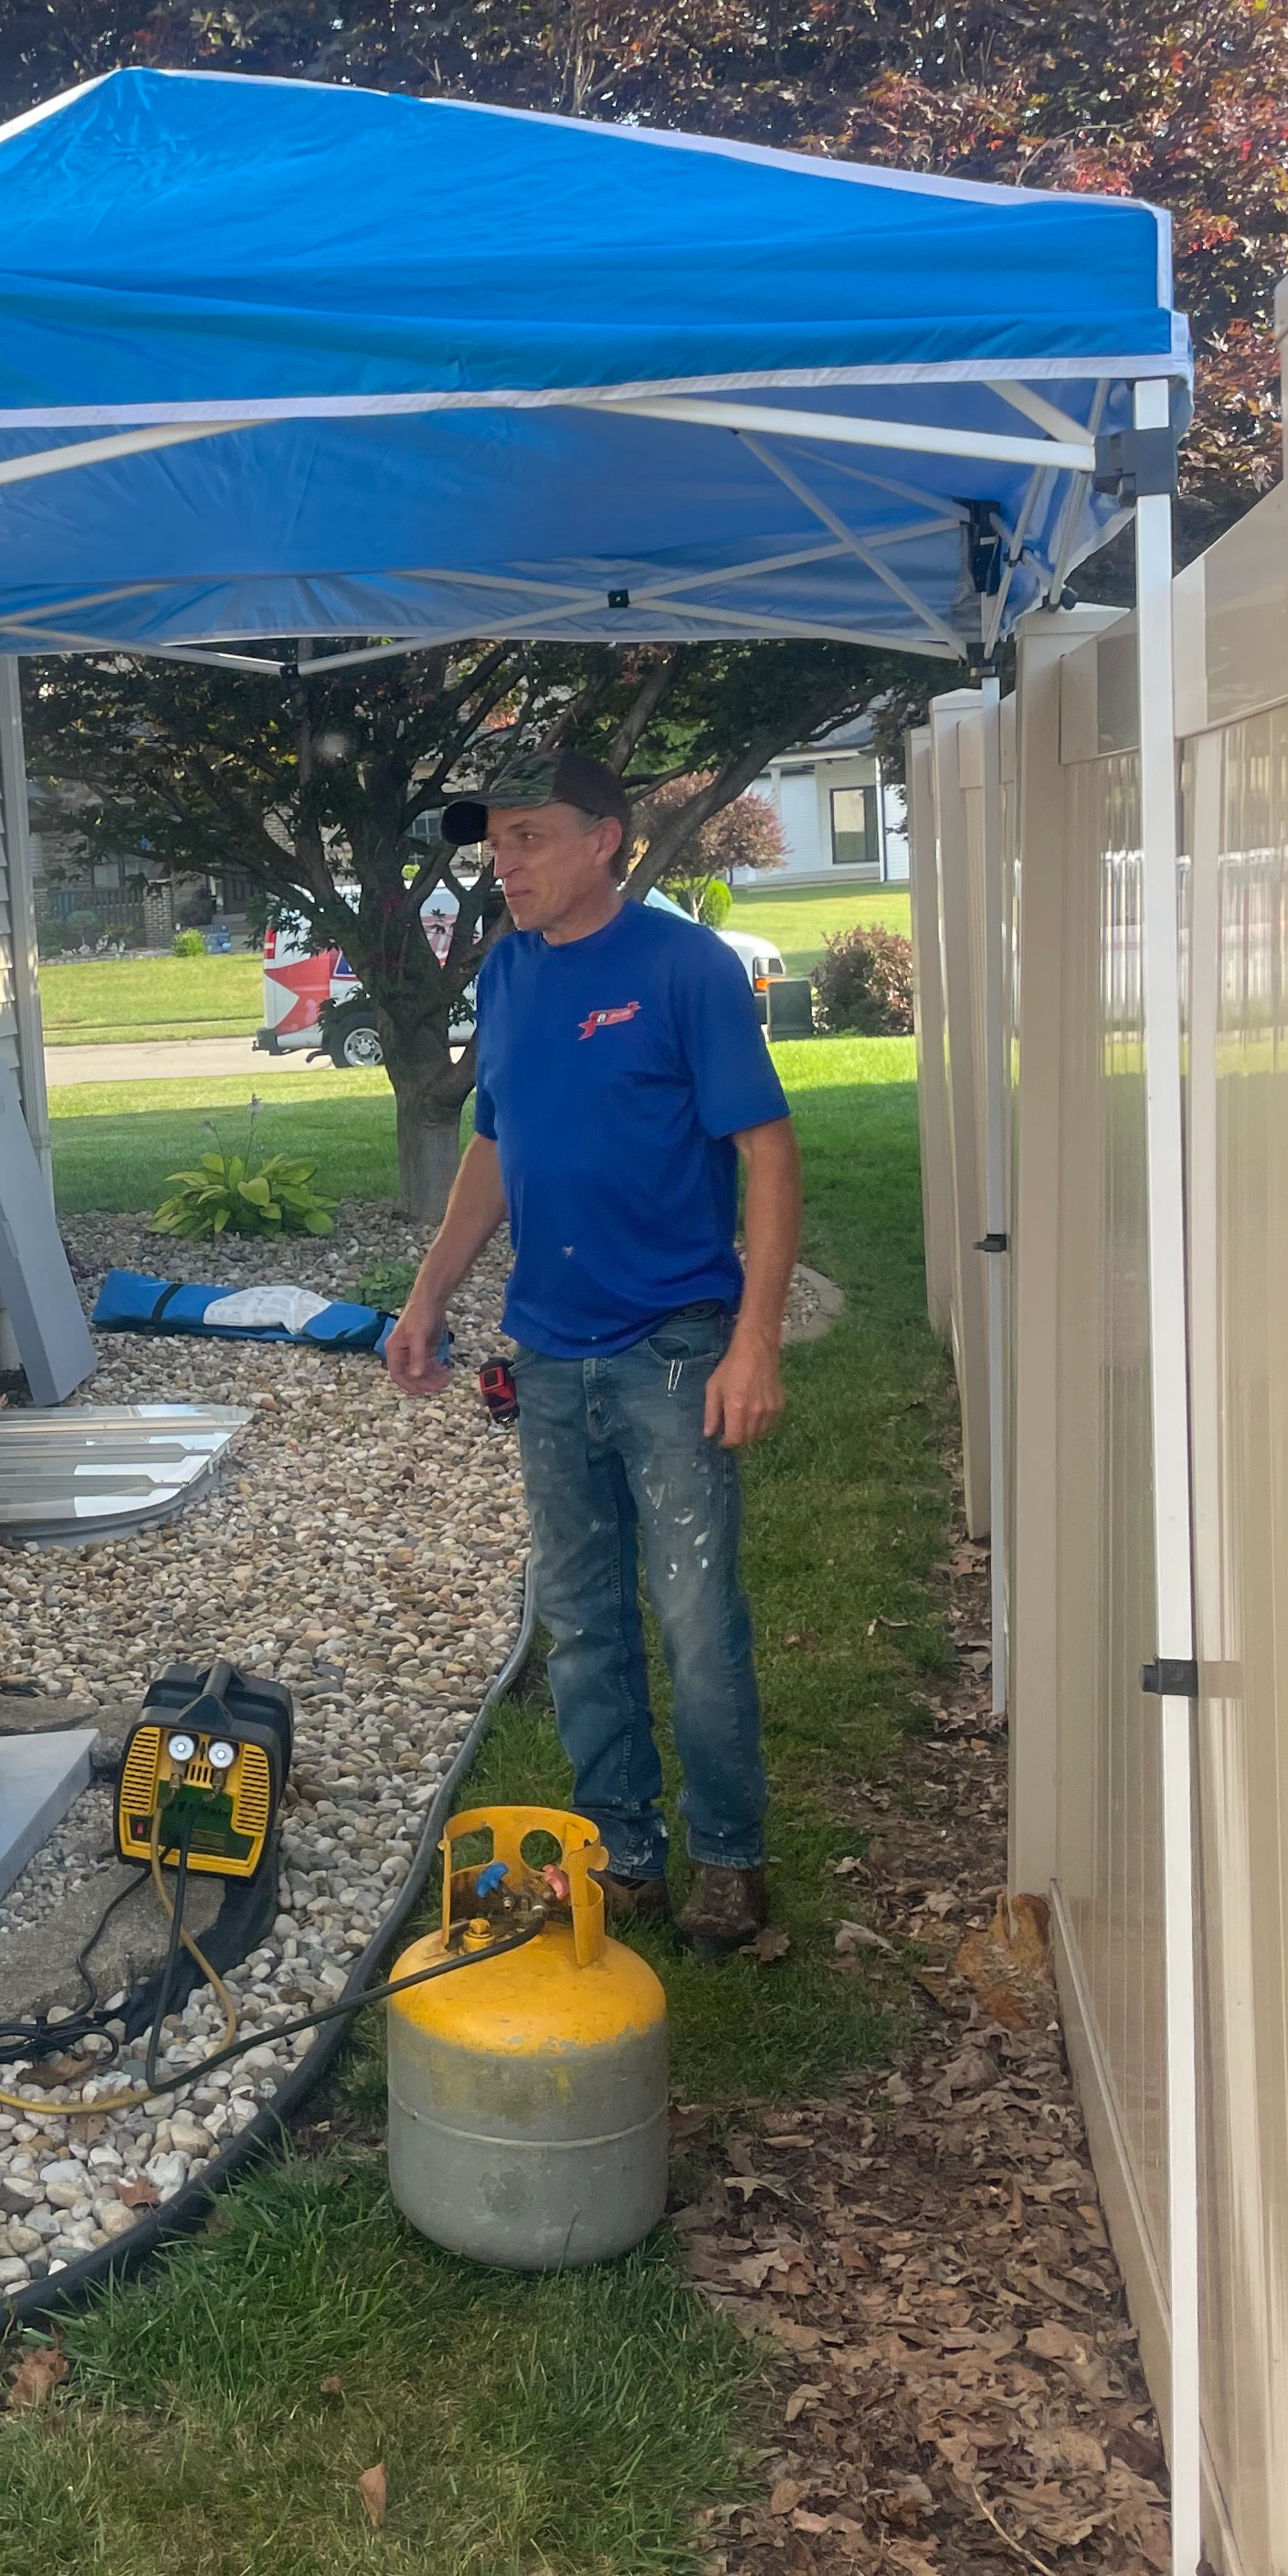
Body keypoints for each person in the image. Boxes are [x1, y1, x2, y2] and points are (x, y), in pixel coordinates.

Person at [385, 744, 798, 1956]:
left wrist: (754, 1343)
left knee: (695, 1617)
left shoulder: (685, 970)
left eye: (529, 838)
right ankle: (622, 1855)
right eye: (493, 843)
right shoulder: (508, 977)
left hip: (674, 1348)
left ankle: (729, 1858)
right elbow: (494, 1147)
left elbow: (767, 1153)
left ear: (605, 837)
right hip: (551, 1352)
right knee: (579, 1619)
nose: (501, 864)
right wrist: (428, 1299)